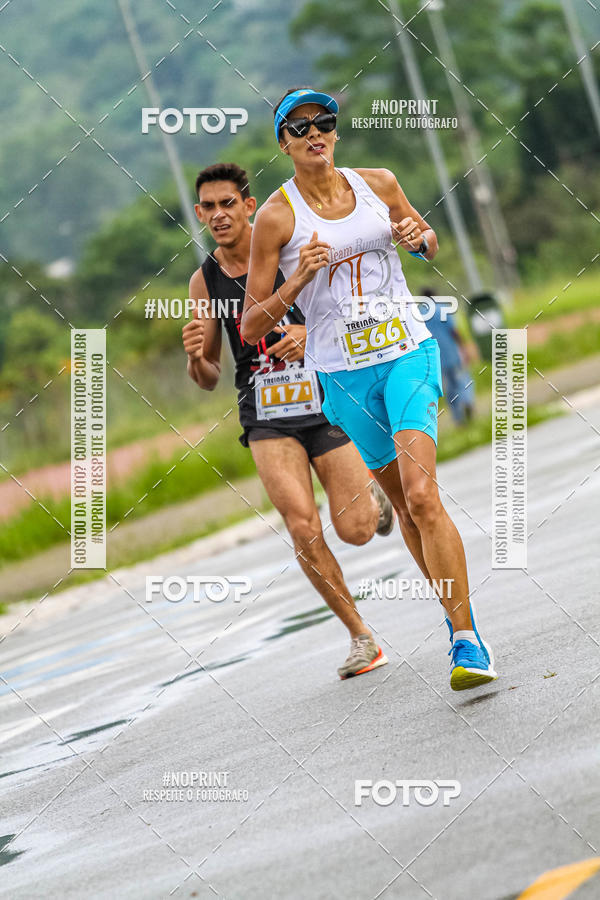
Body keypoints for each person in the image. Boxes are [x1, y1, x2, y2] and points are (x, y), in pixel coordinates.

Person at [241, 88, 497, 691]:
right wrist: (297, 280)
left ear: (335, 131)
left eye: (323, 122)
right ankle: (453, 616)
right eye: (299, 127)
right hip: (342, 375)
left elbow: (427, 241)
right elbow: (251, 324)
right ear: (283, 144)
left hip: (407, 352)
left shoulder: (379, 183)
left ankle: (467, 639)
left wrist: (418, 239)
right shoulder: (276, 218)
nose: (314, 133)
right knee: (404, 507)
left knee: (423, 495)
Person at [182, 161, 394, 680]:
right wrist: (195, 358)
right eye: (208, 207)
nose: (219, 214)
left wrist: (308, 336)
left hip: (325, 401)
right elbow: (209, 376)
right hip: (266, 416)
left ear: (248, 206)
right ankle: (361, 637)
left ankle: (373, 497)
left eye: (228, 203)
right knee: (301, 526)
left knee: (356, 531)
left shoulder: (291, 245)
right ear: (199, 214)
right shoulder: (204, 281)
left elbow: (352, 311)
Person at [420, 286, 476, 425]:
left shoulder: (420, 315)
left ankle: (458, 418)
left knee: (449, 387)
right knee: (462, 379)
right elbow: (454, 331)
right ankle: (467, 400)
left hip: (435, 357)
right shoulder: (442, 309)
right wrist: (463, 347)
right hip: (452, 353)